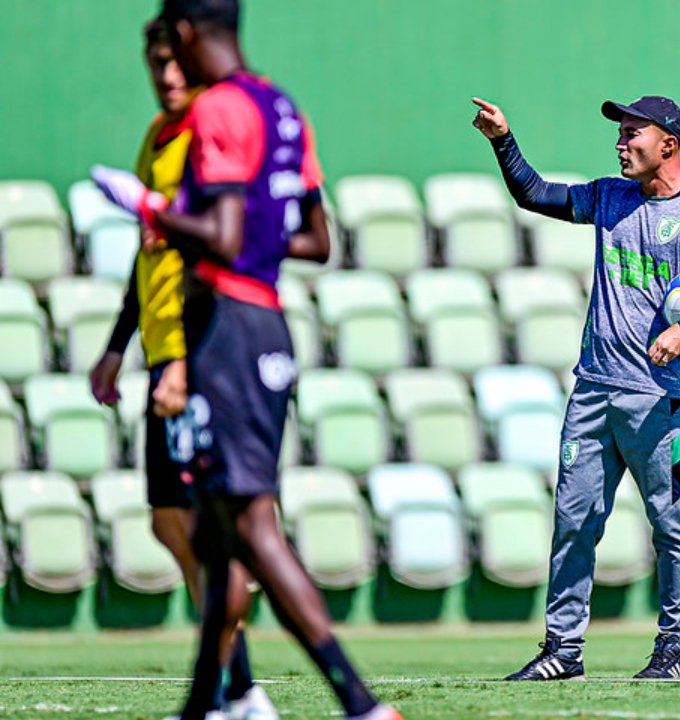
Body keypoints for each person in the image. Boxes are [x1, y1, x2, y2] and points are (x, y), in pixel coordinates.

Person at [90, 1, 400, 718]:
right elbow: (296, 234)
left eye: (172, 52)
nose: (169, 71)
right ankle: (216, 700)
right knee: (217, 533)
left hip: (223, 330)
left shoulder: (219, 110)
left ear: (187, 36)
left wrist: (148, 208)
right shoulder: (280, 106)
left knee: (249, 529)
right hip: (254, 323)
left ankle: (359, 703)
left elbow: (225, 237)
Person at [472, 95, 680, 680]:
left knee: (671, 526)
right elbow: (534, 193)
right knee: (573, 521)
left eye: (632, 133)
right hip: (593, 392)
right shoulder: (610, 196)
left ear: (668, 145)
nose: (620, 142)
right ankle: (562, 650)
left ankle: (672, 649)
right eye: (621, 132)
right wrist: (503, 140)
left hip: (658, 400)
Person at [88, 17, 276, 719]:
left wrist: (184, 364)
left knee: (207, 532)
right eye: (156, 64)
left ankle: (241, 692)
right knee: (171, 524)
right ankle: (235, 688)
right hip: (162, 348)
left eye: (175, 62)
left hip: (199, 350)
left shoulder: (210, 130)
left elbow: (215, 249)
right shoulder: (158, 137)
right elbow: (151, 256)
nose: (167, 76)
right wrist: (118, 345)